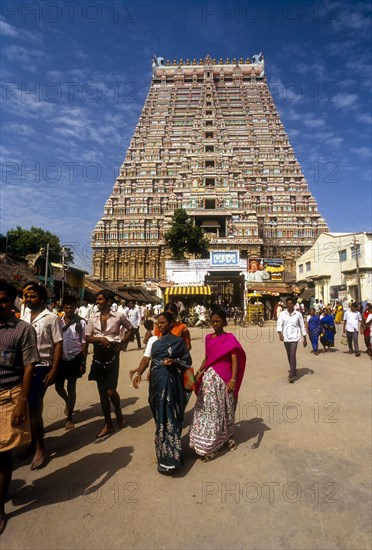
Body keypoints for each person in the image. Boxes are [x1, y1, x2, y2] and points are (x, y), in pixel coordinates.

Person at [0, 281, 39, 535]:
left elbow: (28, 366)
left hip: (8, 396)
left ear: (14, 301)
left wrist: (22, 402)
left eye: (3, 299)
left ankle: (0, 508)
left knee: (2, 454)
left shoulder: (22, 330)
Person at [132, 312, 191, 474]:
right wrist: (139, 373)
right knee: (159, 415)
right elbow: (146, 359)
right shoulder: (153, 340)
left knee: (170, 416)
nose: (160, 325)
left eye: (163, 322)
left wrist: (174, 362)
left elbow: (187, 361)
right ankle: (163, 452)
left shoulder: (178, 342)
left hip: (171, 382)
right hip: (157, 382)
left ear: (171, 323)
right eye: (158, 323)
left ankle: (172, 459)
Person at [189, 309, 246, 461]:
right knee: (208, 410)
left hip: (224, 379)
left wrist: (233, 379)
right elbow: (208, 358)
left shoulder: (230, 339)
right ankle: (208, 444)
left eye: (218, 321)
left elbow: (234, 360)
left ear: (224, 322)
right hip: (209, 380)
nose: (215, 324)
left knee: (226, 408)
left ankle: (226, 437)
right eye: (213, 321)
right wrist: (199, 372)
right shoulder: (209, 338)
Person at [21, 283, 63, 469]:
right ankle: (31, 443)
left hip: (41, 366)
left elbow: (58, 344)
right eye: (27, 297)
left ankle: (40, 448)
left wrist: (54, 369)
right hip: (22, 367)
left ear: (43, 299)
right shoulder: (22, 316)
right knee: (24, 407)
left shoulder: (51, 318)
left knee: (33, 407)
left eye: (33, 296)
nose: (29, 300)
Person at [85, 290, 134, 438]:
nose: (97, 302)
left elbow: (131, 329)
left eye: (100, 299)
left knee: (111, 391)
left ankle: (117, 410)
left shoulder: (118, 316)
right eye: (97, 299)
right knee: (102, 392)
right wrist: (100, 340)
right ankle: (109, 424)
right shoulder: (92, 317)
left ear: (109, 301)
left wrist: (122, 343)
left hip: (113, 354)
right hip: (99, 354)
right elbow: (87, 337)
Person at [55, 295, 87, 430]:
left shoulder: (81, 322)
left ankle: (69, 419)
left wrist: (83, 362)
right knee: (58, 387)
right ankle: (68, 402)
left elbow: (84, 343)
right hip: (60, 358)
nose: (69, 309)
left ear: (75, 308)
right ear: (63, 308)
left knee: (71, 387)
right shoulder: (57, 322)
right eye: (67, 307)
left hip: (75, 357)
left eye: (72, 307)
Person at [277, 298, 307, 383]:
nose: (289, 305)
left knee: (293, 354)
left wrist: (305, 338)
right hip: (286, 337)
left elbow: (302, 326)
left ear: (293, 304)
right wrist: (280, 334)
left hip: (295, 337)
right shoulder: (282, 314)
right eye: (288, 304)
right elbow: (279, 324)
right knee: (289, 354)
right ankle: (293, 368)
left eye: (291, 304)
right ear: (286, 304)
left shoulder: (298, 314)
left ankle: (292, 373)